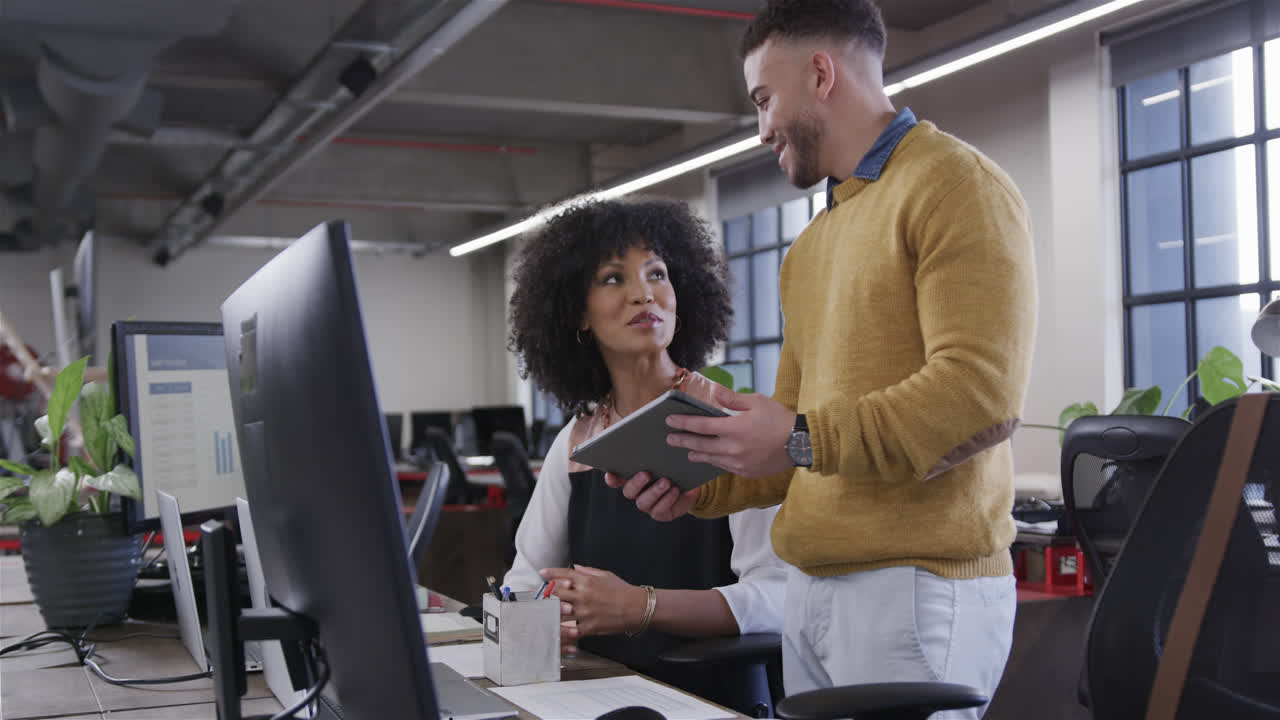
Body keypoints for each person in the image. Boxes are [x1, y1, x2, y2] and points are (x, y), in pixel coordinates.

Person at [606, 2, 1038, 717]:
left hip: (915, 589)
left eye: (763, 99)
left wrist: (799, 435)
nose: (762, 127)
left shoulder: (955, 184)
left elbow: (980, 396)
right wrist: (700, 482)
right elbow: (791, 440)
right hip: (811, 588)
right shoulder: (810, 248)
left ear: (819, 73)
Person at [502, 197, 786, 713]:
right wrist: (540, 631)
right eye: (613, 279)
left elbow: (777, 598)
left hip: (709, 700)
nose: (643, 293)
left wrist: (641, 607)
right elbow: (525, 582)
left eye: (657, 273)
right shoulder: (576, 442)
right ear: (578, 315)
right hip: (598, 697)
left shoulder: (732, 426)